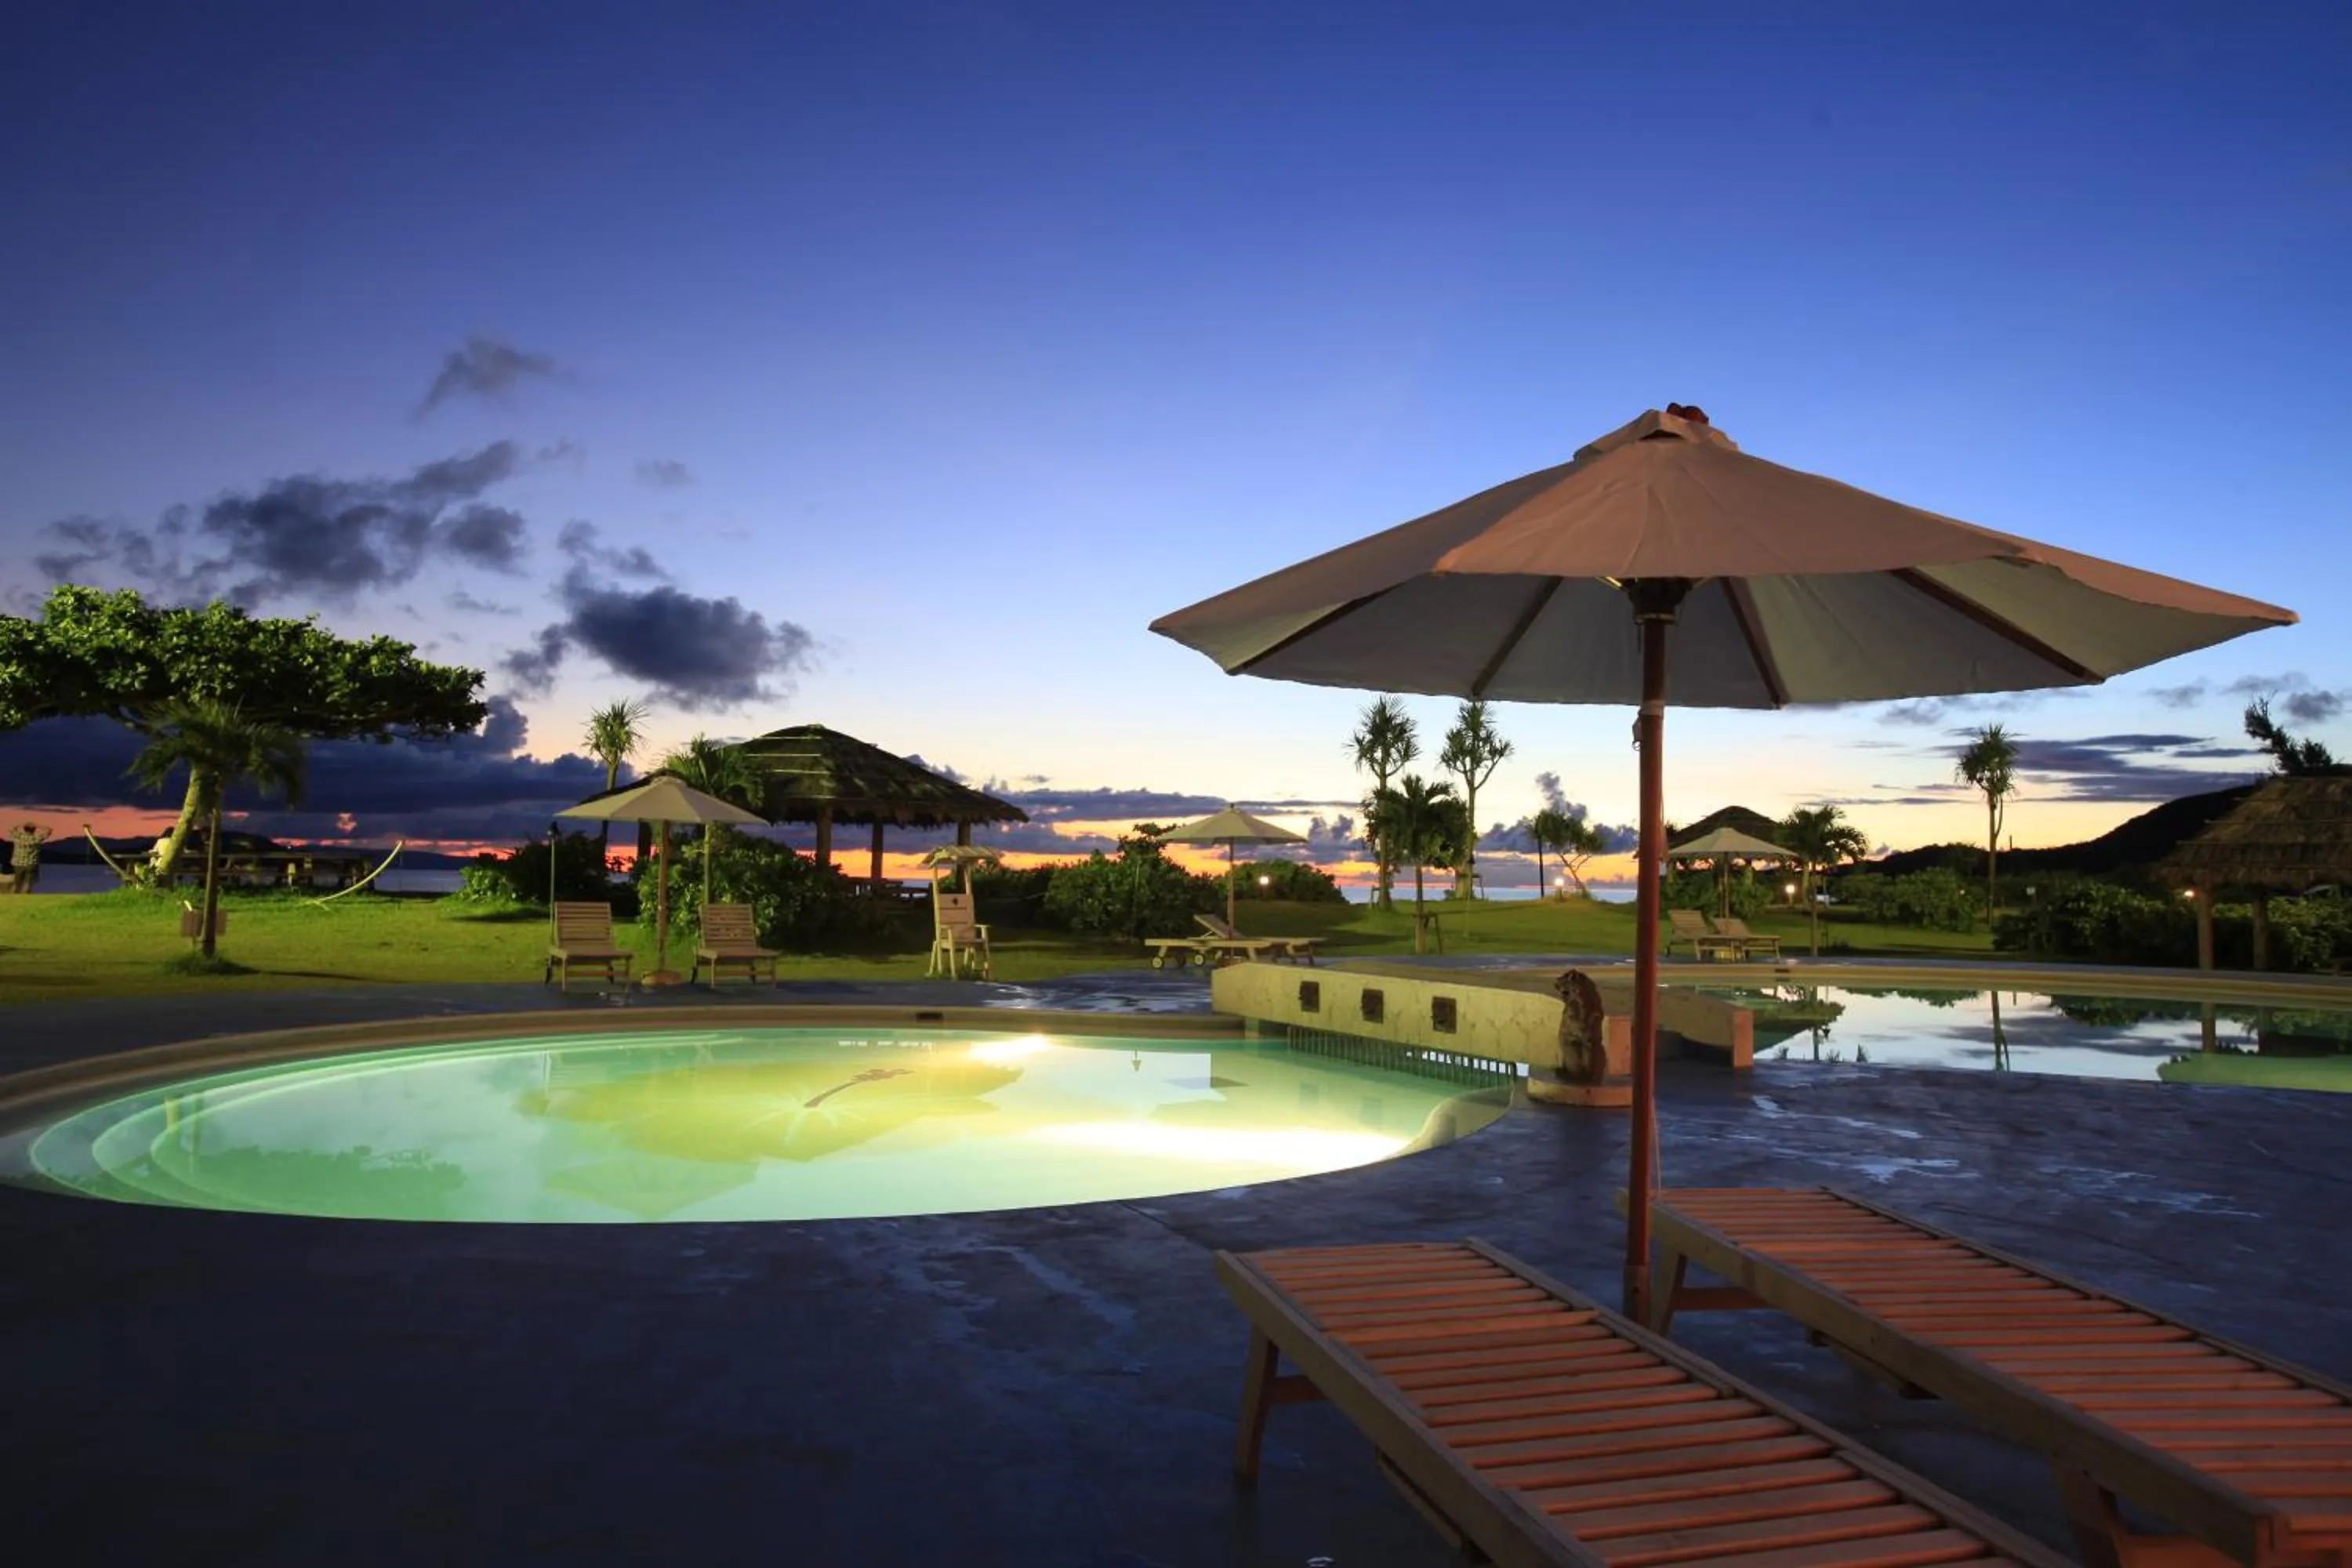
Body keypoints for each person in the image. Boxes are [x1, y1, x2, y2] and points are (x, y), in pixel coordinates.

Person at [8, 822, 54, 894]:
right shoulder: (36, 839)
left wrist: (21, 825)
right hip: (31, 864)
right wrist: (39, 826)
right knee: (28, 883)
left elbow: (11, 830)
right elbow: (49, 830)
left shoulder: (18, 837)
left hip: (18, 863)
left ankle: (12, 897)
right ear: (34, 830)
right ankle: (24, 897)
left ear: (24, 829)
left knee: (17, 883)